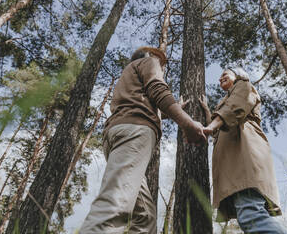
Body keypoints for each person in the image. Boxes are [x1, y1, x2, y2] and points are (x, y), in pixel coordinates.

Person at [80, 47, 206, 234]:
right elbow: (157, 88)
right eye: (161, 62)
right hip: (134, 133)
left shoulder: (128, 74)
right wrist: (186, 122)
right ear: (151, 56)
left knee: (144, 217)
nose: (162, 66)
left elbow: (146, 103)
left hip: (117, 133)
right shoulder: (149, 62)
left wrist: (172, 110)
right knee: (116, 203)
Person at [199, 64, 287, 233]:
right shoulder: (225, 102)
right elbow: (222, 120)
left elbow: (235, 107)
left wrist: (210, 127)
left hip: (246, 157)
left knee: (251, 216)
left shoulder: (244, 86)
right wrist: (206, 111)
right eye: (219, 77)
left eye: (225, 74)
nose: (220, 78)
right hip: (235, 165)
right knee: (248, 215)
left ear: (238, 75)